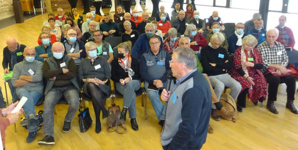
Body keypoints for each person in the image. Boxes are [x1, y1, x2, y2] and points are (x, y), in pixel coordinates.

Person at [160, 47, 211, 150]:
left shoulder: (194, 88)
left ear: (182, 65)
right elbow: (184, 101)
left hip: (184, 146)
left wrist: (173, 147)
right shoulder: (187, 79)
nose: (169, 65)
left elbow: (188, 128)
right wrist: (171, 97)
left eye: (172, 61)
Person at [38, 42, 80, 145]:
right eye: (55, 51)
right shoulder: (48, 61)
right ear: (51, 51)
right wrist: (62, 70)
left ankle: (68, 120)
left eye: (59, 50)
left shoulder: (69, 60)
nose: (57, 52)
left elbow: (73, 74)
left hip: (70, 86)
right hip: (53, 88)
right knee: (47, 106)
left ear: (64, 50)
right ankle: (49, 135)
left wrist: (55, 76)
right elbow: (46, 74)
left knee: (75, 102)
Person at [201, 32, 242, 120]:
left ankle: (228, 105)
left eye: (219, 44)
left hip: (224, 75)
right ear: (211, 39)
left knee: (238, 86)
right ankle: (215, 108)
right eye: (215, 43)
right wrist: (222, 66)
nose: (217, 46)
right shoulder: (205, 50)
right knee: (220, 86)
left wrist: (215, 65)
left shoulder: (222, 50)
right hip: (211, 76)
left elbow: (229, 65)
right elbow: (207, 67)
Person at [258, 29, 298, 114]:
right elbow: (263, 62)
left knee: (291, 78)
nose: (271, 38)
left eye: (273, 36)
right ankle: (271, 102)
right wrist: (277, 67)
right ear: (266, 36)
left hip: (280, 70)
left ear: (276, 37)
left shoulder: (280, 45)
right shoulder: (261, 47)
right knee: (275, 80)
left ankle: (290, 102)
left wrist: (281, 68)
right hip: (266, 71)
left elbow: (285, 58)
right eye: (269, 36)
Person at [11, 47, 43, 143]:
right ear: (24, 55)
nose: (30, 56)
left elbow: (38, 78)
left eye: (32, 54)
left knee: (25, 101)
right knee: (25, 97)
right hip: (22, 89)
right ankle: (32, 119)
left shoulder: (39, 64)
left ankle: (32, 127)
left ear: (35, 54)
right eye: (28, 54)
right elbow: (14, 83)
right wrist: (30, 79)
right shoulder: (17, 66)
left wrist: (22, 77)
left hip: (36, 89)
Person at [229, 35, 267, 112]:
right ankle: (240, 104)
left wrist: (253, 65)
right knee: (245, 83)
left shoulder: (255, 52)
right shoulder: (238, 52)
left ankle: (255, 98)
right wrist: (247, 77)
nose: (248, 47)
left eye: (251, 46)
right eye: (246, 45)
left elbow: (261, 65)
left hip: (252, 71)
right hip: (239, 72)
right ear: (243, 43)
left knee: (260, 80)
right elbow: (238, 67)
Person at [78, 41, 110, 133]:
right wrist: (91, 80)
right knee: (92, 86)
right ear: (87, 51)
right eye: (90, 50)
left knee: (96, 95)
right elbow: (81, 77)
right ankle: (103, 110)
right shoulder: (83, 62)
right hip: (88, 85)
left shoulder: (103, 60)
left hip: (102, 85)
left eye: (94, 49)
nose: (93, 51)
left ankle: (98, 120)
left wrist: (102, 81)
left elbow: (108, 75)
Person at [139, 35, 171, 126]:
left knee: (172, 93)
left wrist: (161, 80)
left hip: (165, 81)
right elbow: (143, 73)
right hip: (150, 82)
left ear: (160, 43)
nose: (154, 45)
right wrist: (154, 81)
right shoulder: (144, 56)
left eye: (156, 43)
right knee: (152, 95)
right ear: (149, 44)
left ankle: (163, 118)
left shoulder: (166, 54)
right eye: (152, 43)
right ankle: (164, 120)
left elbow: (169, 69)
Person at [111, 41, 141, 131]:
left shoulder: (134, 61)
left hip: (134, 82)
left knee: (131, 84)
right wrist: (119, 79)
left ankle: (125, 108)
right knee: (131, 94)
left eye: (121, 52)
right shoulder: (115, 62)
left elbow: (139, 75)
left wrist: (130, 78)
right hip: (121, 84)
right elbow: (112, 75)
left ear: (127, 52)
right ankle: (133, 118)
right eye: (118, 52)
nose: (119, 54)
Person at [2, 37, 26, 103]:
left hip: (23, 70)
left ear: (16, 43)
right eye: (10, 47)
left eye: (13, 47)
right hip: (12, 70)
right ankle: (15, 100)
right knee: (10, 81)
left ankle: (20, 99)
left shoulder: (23, 48)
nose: (11, 49)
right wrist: (5, 68)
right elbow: (4, 61)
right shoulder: (6, 50)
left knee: (18, 81)